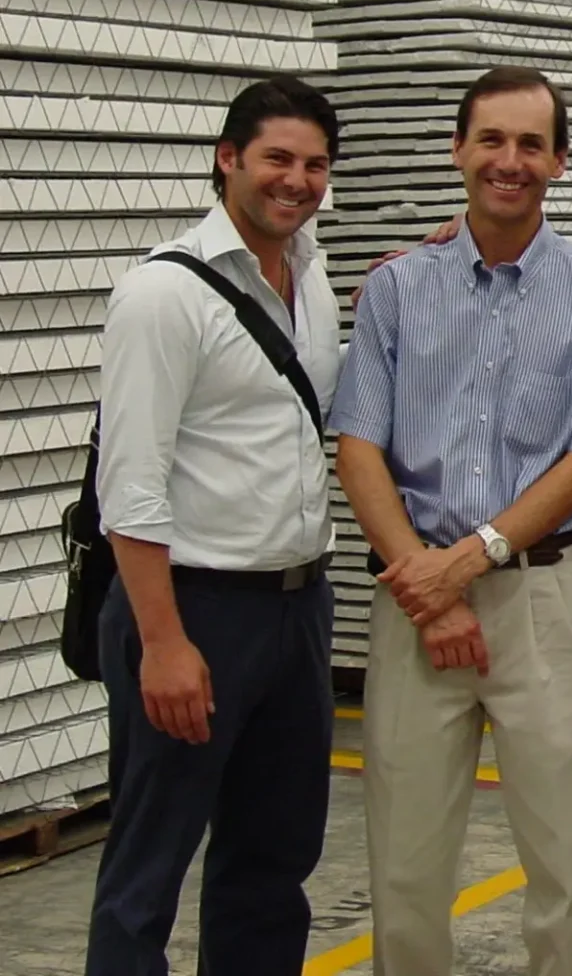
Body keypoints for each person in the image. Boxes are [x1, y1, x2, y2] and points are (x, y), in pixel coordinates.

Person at [331, 66, 572, 976]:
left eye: (531, 145)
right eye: (491, 141)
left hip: (540, 601)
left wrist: (465, 565)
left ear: (561, 161)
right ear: (458, 149)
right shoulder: (397, 290)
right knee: (404, 860)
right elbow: (359, 446)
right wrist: (428, 587)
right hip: (411, 597)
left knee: (562, 862)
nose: (509, 162)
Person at [85, 75, 342, 976]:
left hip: (299, 607)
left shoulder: (311, 280)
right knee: (148, 871)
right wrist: (162, 642)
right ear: (228, 160)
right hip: (195, 608)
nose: (297, 181)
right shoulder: (164, 297)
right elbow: (132, 486)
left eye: (315, 164)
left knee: (272, 864)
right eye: (277, 158)